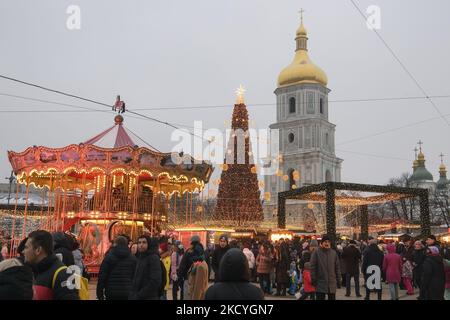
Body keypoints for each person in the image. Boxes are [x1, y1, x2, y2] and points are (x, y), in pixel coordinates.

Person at [24, 230, 79, 300]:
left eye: (26, 247)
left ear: (38, 250)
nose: (23, 251)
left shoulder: (63, 274)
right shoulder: (31, 271)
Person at [96, 236, 137, 300]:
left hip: (111, 292)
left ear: (115, 244)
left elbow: (102, 276)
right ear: (127, 244)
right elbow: (136, 277)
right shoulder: (133, 258)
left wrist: (99, 293)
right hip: (127, 292)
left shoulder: (108, 257)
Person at [129, 235, 162, 300]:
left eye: (144, 242)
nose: (141, 245)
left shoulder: (153, 258)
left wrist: (140, 294)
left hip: (148, 296)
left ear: (148, 244)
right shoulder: (140, 258)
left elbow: (155, 281)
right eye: (139, 242)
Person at [310, 235, 341, 300]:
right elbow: (313, 267)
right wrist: (313, 279)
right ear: (321, 243)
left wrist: (338, 280)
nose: (327, 243)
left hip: (331, 283)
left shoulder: (333, 253)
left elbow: (337, 268)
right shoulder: (316, 253)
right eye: (325, 242)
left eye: (328, 242)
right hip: (320, 283)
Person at [178, 235, 202, 300]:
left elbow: (182, 267)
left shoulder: (188, 252)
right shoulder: (203, 252)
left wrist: (180, 280)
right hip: (199, 280)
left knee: (187, 296)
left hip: (188, 279)